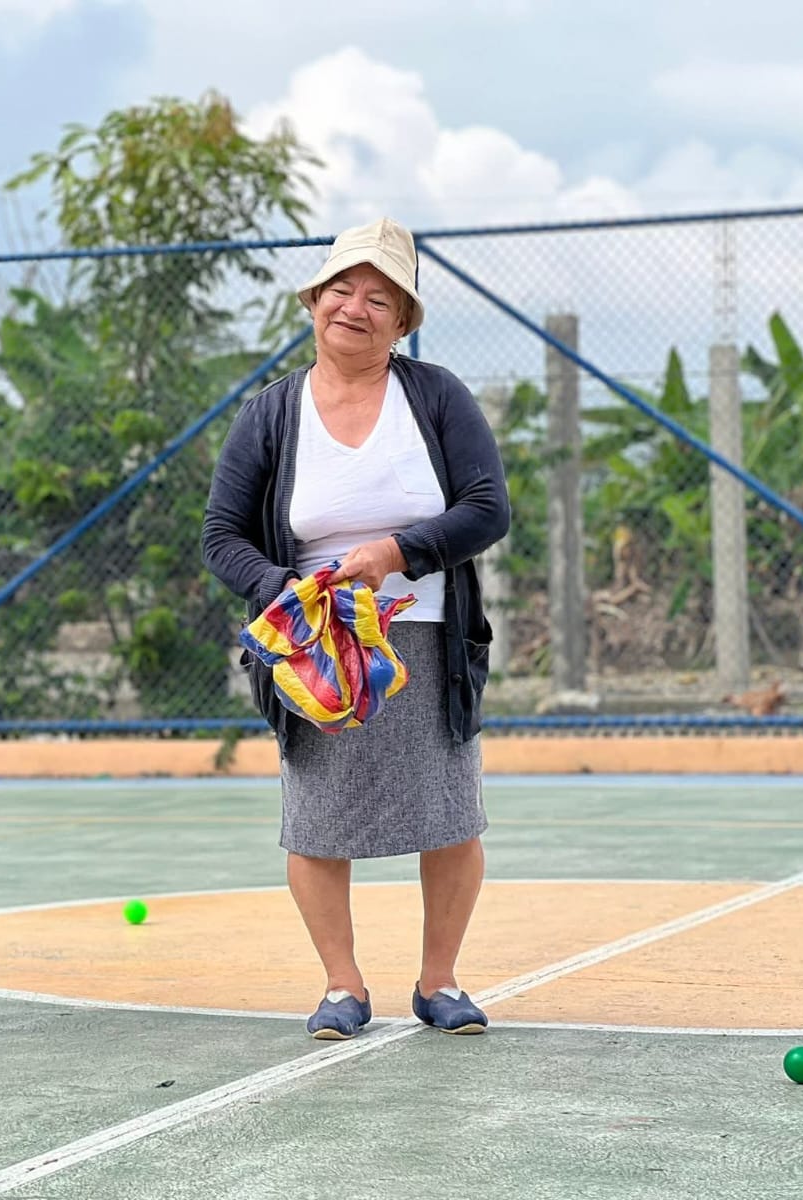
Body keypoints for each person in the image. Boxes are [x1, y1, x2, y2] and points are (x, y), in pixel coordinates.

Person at [201, 217, 510, 1039]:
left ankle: (440, 982)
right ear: (313, 302)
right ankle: (343, 986)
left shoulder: (435, 396)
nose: (356, 308)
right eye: (342, 289)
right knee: (316, 818)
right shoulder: (271, 413)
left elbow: (488, 509)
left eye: (380, 299)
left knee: (451, 813)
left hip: (426, 640)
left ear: (402, 323)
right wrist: (284, 590)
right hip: (316, 652)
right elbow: (221, 535)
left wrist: (395, 554)